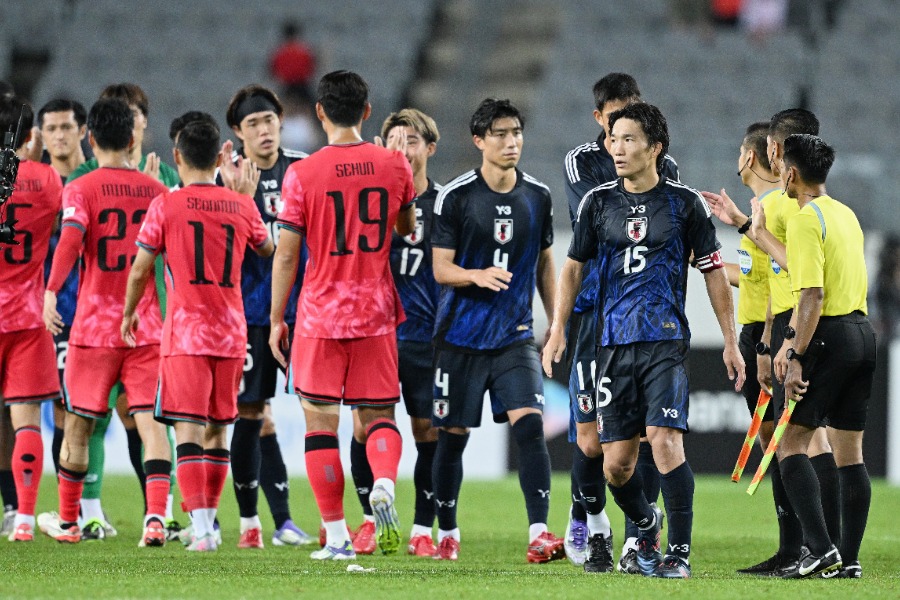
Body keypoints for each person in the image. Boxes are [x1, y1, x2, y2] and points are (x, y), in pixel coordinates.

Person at [544, 102, 745, 579]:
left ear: (655, 148)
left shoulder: (684, 204)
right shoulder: (597, 202)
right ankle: (644, 520)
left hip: (665, 341)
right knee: (615, 465)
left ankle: (679, 553)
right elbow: (572, 269)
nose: (617, 148)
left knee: (665, 441)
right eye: (614, 139)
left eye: (629, 139)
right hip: (611, 345)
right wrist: (557, 329)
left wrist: (730, 340)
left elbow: (714, 272)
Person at [270, 70, 416, 561]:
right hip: (375, 312)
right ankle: (383, 485)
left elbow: (287, 255)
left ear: (319, 112)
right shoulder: (394, 164)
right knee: (379, 417)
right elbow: (407, 225)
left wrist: (276, 318)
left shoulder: (302, 174)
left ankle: (335, 536)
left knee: (320, 427)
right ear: (368, 112)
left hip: (319, 316)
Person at [123, 114, 274, 552]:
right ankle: (208, 525)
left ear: (177, 157)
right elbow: (268, 251)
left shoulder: (165, 205)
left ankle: (204, 529)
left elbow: (140, 268)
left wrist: (130, 313)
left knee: (187, 430)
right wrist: (245, 196)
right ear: (218, 158)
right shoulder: (239, 204)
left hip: (186, 333)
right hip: (231, 333)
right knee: (218, 431)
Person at [430, 98, 563, 564]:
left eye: (517, 133)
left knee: (529, 426)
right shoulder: (457, 196)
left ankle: (540, 533)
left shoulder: (538, 196)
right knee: (452, 437)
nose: (512, 142)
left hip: (514, 336)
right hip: (460, 338)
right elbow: (441, 269)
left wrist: (556, 322)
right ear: (479, 141)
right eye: (502, 134)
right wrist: (476, 275)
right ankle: (446, 531)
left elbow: (547, 263)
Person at [703, 108, 834, 575]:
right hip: (769, 330)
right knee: (784, 441)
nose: (736, 160)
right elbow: (759, 275)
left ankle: (805, 545)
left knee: (789, 442)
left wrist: (763, 344)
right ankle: (803, 545)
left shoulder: (778, 208)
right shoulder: (763, 210)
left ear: (759, 156)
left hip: (775, 332)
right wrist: (716, 260)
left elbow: (785, 284)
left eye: (742, 152)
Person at [39, 98, 171, 547]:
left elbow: (71, 242)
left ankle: (70, 521)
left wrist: (51, 291)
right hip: (148, 326)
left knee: (77, 424)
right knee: (151, 425)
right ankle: (156, 518)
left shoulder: (80, 188)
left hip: (94, 329)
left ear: (90, 139)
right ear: (133, 139)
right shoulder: (157, 193)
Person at [562, 73, 679, 573]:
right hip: (594, 314)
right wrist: (557, 327)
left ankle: (638, 539)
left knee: (647, 434)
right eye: (615, 122)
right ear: (599, 120)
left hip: (645, 319)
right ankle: (593, 523)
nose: (622, 135)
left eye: (633, 120)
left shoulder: (665, 164)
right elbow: (614, 216)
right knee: (590, 439)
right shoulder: (582, 163)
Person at [773, 134, 875, 579]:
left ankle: (819, 548)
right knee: (850, 454)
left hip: (830, 334)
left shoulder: (804, 218)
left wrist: (793, 351)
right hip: (863, 334)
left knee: (790, 443)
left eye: (781, 168)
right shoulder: (846, 215)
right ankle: (849, 560)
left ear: (791, 174)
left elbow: (811, 295)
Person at [345, 108, 442, 557]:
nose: (402, 149)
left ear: (429, 148)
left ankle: (423, 528)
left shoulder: (447, 205)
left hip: (427, 338)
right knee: (365, 428)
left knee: (428, 432)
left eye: (412, 141)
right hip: (375, 332)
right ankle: (369, 519)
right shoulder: (368, 201)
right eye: (394, 142)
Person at [222, 84, 312, 549]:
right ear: (238, 132)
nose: (264, 130)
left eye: (269, 121)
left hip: (307, 313)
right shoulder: (226, 180)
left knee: (319, 411)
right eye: (253, 124)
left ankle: (292, 523)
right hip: (253, 315)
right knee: (252, 412)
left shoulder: (304, 169)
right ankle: (251, 523)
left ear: (282, 121)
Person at [0, 96, 63, 542]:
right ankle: (23, 518)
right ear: (30, 134)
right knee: (26, 421)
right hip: (28, 313)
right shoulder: (46, 179)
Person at [37, 99, 88, 480]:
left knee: (130, 412)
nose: (59, 135)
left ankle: (159, 512)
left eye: (66, 127)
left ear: (83, 131)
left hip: (101, 308)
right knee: (63, 409)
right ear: (40, 135)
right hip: (54, 309)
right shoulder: (34, 183)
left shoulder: (96, 179)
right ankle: (78, 509)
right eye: (51, 128)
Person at [269, 21, 317, 101]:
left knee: (276, 103)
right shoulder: (304, 50)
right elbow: (311, 68)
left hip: (286, 85)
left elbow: (272, 70)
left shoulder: (279, 52)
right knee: (314, 104)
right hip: (302, 85)